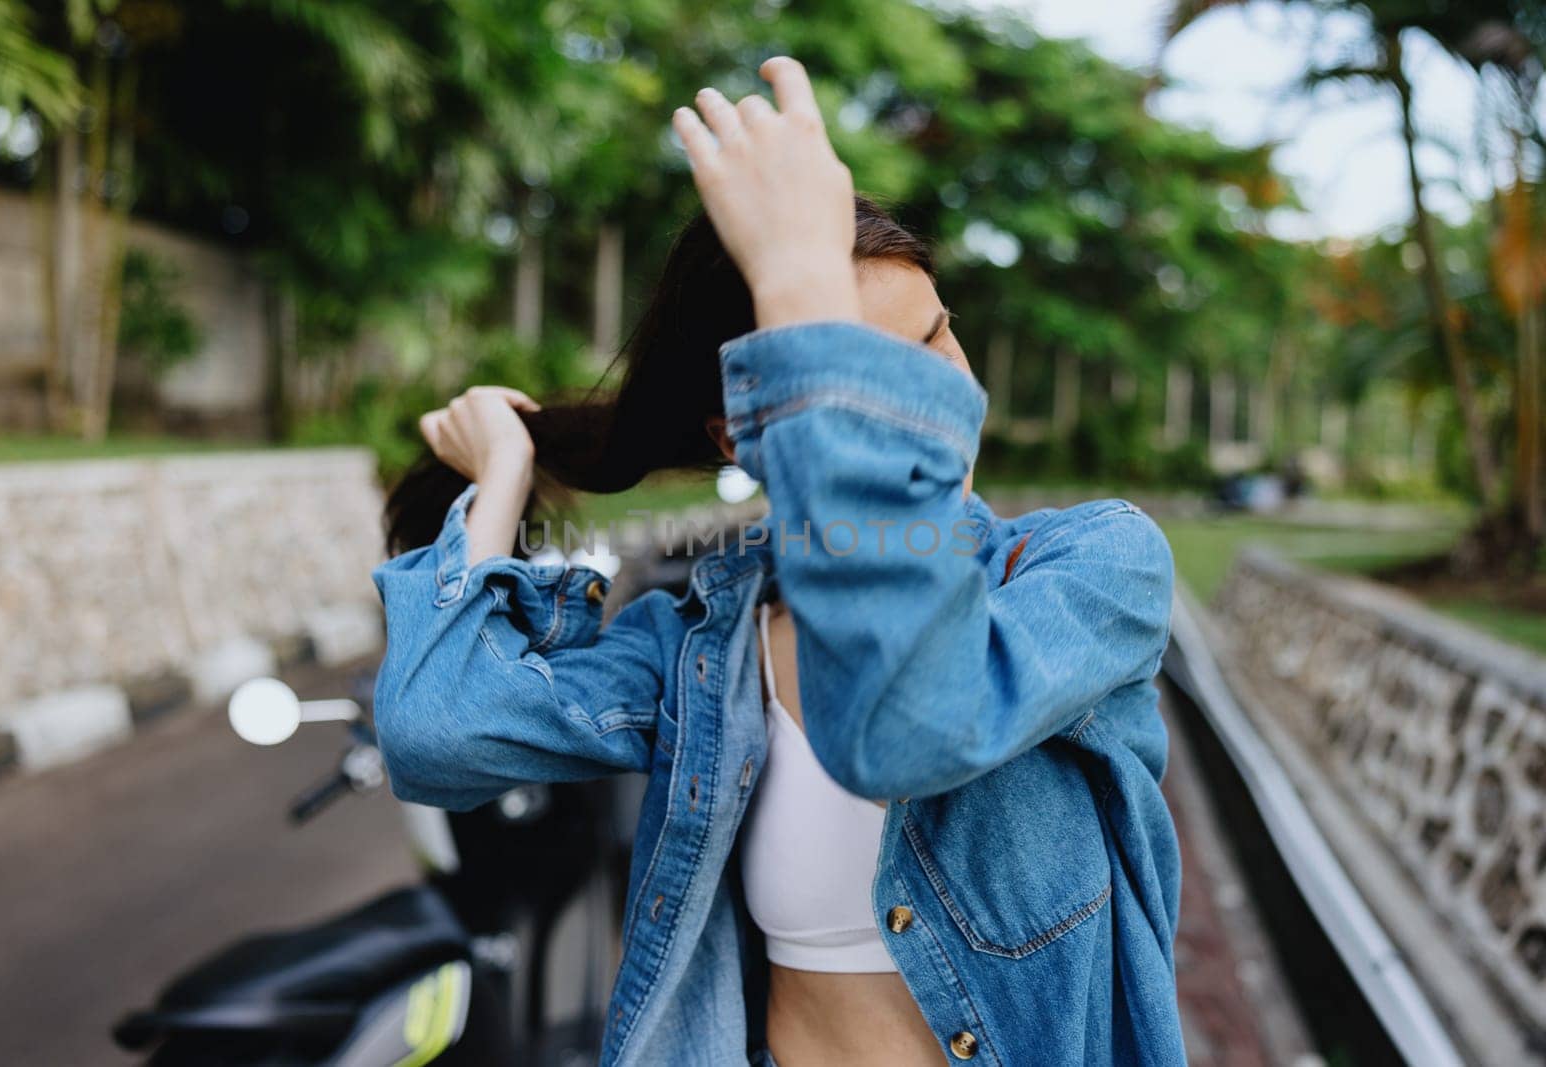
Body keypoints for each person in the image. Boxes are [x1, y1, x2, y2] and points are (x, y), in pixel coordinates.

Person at [372, 57, 1184, 1067]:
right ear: (742, 432)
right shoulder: (706, 652)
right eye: (857, 370)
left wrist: (803, 279)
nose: (930, 397)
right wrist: (502, 480)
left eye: (934, 340)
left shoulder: (1091, 567)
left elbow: (912, 722)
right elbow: (436, 734)